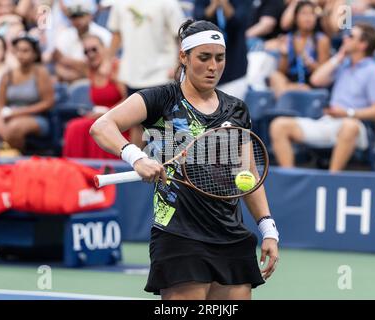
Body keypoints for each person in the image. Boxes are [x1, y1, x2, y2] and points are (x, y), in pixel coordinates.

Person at [90, 20, 279, 300]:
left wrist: (268, 229)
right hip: (179, 235)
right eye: (204, 58)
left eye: (219, 58)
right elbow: (102, 126)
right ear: (184, 57)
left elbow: (248, 174)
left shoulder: (237, 109)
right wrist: (137, 157)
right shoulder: (161, 99)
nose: (213, 66)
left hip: (231, 234)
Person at [270, 23, 375, 172]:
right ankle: (291, 179)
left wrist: (348, 113)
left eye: (351, 36)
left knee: (349, 126)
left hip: (356, 125)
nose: (345, 38)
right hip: (329, 121)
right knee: (279, 125)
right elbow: (316, 80)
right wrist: (338, 58)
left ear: (363, 44)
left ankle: (331, 179)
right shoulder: (343, 65)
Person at [62, 34, 142, 159]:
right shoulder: (91, 70)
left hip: (121, 120)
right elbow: (63, 63)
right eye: (86, 51)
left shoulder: (116, 67)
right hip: (101, 117)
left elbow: (129, 98)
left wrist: (108, 113)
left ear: (104, 48)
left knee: (81, 127)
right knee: (74, 126)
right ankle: (77, 167)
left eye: (94, 49)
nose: (90, 54)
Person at [0, 33, 54, 152]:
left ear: (35, 53)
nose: (21, 54)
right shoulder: (7, 75)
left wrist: (17, 112)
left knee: (14, 127)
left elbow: (48, 103)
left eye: (25, 51)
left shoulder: (40, 73)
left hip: (38, 119)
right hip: (10, 117)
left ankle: (19, 160)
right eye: (18, 50)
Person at [269, 0, 331, 97]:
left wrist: (309, 62)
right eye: (304, 14)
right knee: (275, 76)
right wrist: (284, 55)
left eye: (312, 14)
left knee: (285, 88)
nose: (308, 18)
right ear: (295, 17)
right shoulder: (289, 38)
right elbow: (282, 71)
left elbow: (324, 73)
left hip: (310, 82)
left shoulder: (321, 40)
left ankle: (286, 96)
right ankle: (287, 93)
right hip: (291, 81)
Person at [194, 0, 251, 100]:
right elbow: (199, 21)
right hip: (207, 70)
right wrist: (214, 5)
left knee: (232, 111)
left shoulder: (242, 3)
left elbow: (238, 22)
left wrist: (224, 3)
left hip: (235, 69)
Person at [53, 0, 112, 83]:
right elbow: (59, 65)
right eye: (74, 17)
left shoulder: (104, 34)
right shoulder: (64, 35)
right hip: (70, 82)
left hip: (100, 81)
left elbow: (104, 65)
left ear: (90, 16)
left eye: (81, 16)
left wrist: (66, 60)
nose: (77, 20)